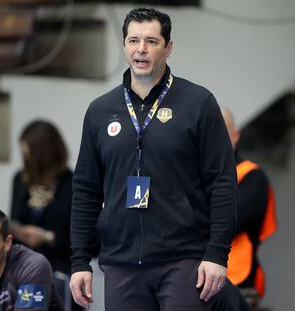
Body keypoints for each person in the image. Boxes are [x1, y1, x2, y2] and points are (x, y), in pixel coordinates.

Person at [69, 7, 237, 311]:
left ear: (168, 47)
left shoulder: (198, 103)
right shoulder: (100, 110)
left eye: (151, 41)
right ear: (124, 46)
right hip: (120, 262)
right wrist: (80, 260)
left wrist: (216, 254)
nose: (141, 50)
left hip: (184, 259)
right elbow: (85, 190)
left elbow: (222, 182)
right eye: (133, 41)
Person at [10, 120, 79, 310]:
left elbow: (89, 243)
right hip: (22, 269)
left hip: (59, 271)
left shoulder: (73, 185)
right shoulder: (21, 179)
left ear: (44, 155)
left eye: (30, 154)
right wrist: (17, 230)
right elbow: (14, 218)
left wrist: (47, 237)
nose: (26, 159)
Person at [214, 108, 278, 310]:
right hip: (193, 280)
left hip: (237, 282)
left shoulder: (251, 176)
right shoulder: (193, 176)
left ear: (235, 136)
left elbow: (227, 221)